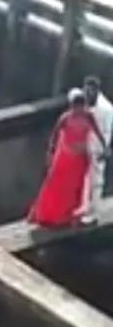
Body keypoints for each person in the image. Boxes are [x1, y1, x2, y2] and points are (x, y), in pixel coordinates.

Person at [28, 88, 105, 228]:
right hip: (65, 158)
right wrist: (50, 153)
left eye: (81, 105)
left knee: (76, 188)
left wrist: (105, 147)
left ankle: (69, 215)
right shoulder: (65, 118)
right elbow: (54, 137)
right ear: (71, 106)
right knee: (58, 187)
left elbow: (98, 132)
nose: (78, 109)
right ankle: (49, 216)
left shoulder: (89, 116)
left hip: (80, 158)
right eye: (76, 106)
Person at [81, 75, 113, 222]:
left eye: (89, 91)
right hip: (86, 146)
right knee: (86, 179)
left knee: (96, 181)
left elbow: (108, 131)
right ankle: (86, 207)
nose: (86, 93)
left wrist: (105, 149)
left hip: (98, 148)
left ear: (96, 90)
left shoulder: (106, 109)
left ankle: (94, 213)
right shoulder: (86, 103)